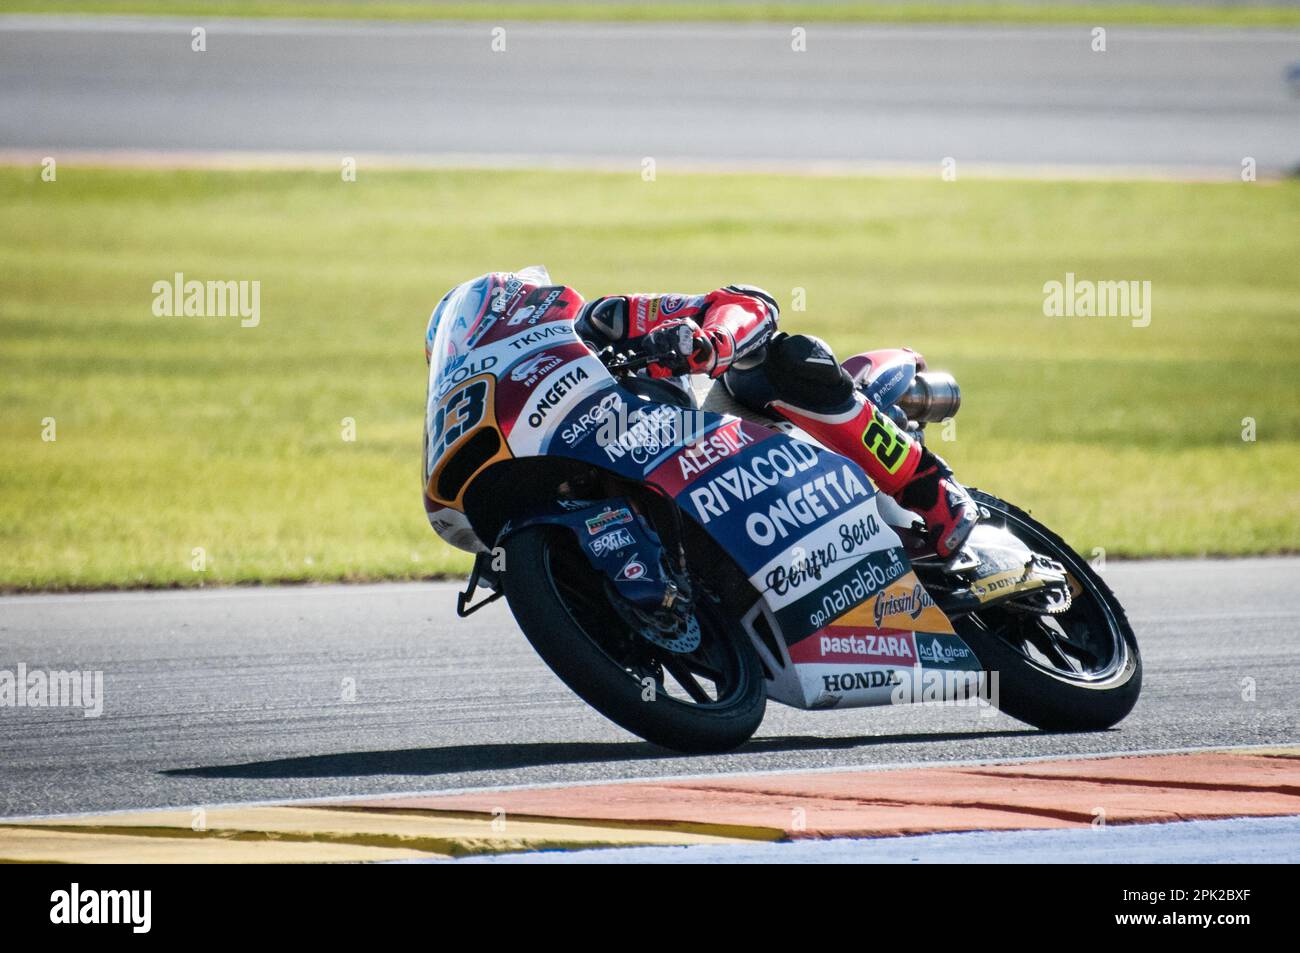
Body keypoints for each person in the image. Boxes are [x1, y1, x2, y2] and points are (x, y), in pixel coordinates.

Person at [575, 284, 977, 557]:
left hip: (714, 426)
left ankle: (928, 486)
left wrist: (710, 343)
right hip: (658, 492)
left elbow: (749, 302)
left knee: (786, 359)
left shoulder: (603, 320)